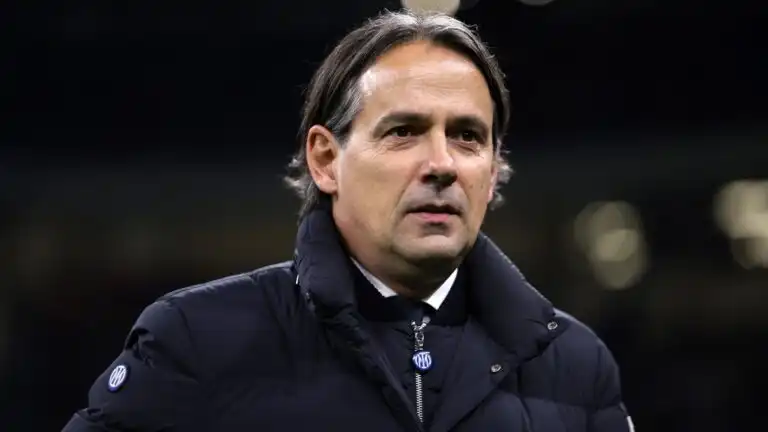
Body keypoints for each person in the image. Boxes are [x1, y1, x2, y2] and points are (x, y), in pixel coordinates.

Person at [63, 9, 633, 432]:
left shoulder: (576, 367)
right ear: (325, 159)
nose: (441, 164)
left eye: (467, 136)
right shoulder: (196, 340)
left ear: (492, 170)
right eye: (403, 131)